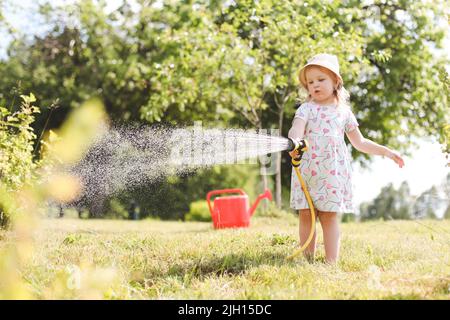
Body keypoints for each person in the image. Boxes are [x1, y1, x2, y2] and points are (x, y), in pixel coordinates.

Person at [288, 53, 404, 264]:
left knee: (330, 216)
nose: (314, 85)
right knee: (306, 214)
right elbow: (296, 129)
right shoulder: (306, 109)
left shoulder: (344, 113)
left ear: (336, 82)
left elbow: (360, 142)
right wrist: (294, 142)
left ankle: (331, 262)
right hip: (306, 172)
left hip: (332, 174)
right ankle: (306, 259)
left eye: (320, 80)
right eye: (310, 82)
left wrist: (386, 151)